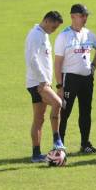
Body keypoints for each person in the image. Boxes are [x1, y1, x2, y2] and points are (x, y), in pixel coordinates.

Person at [54, 4, 96, 153]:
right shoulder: (64, 36)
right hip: (70, 78)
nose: (85, 18)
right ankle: (59, 145)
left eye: (86, 15)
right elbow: (57, 62)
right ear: (73, 16)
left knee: (86, 111)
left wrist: (93, 65)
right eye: (82, 15)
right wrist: (59, 86)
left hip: (87, 79)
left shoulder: (89, 34)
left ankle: (85, 144)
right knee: (65, 112)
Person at [25, 11, 65, 163]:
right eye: (54, 27)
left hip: (39, 82)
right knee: (58, 103)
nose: (54, 30)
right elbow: (32, 59)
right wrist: (43, 80)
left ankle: (36, 154)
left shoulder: (43, 34)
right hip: (38, 83)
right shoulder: (35, 35)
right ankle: (57, 138)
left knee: (39, 119)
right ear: (47, 21)